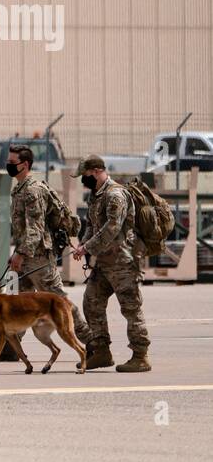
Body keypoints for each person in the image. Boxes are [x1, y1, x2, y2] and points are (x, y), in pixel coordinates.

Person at [6, 145, 95, 363]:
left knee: (60, 304)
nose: (8, 165)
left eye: (12, 161)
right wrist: (18, 254)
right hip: (25, 256)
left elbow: (35, 229)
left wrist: (19, 253)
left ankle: (93, 343)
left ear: (24, 165)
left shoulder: (33, 191)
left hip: (38, 258)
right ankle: (11, 346)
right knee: (20, 304)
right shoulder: (19, 189)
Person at [70, 155, 151, 372]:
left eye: (85, 176)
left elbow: (111, 228)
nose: (83, 180)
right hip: (104, 264)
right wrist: (84, 243)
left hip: (123, 262)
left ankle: (140, 356)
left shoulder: (116, 194)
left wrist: (87, 248)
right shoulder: (96, 195)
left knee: (131, 308)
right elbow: (91, 225)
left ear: (96, 171)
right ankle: (102, 352)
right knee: (91, 303)